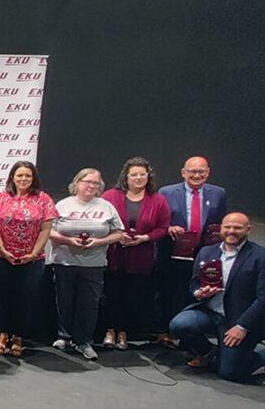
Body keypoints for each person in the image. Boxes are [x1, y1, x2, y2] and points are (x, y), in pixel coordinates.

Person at [169, 213, 265, 383]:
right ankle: (208, 351)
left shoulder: (260, 256)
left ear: (248, 229)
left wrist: (242, 327)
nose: (231, 231)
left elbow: (263, 298)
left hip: (238, 319)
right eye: (227, 227)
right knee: (179, 324)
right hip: (211, 312)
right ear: (221, 228)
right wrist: (199, 293)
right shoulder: (207, 252)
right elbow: (194, 284)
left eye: (237, 227)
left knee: (230, 373)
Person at [47, 168, 124, 360]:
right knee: (64, 301)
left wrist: (100, 242)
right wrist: (67, 240)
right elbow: (47, 231)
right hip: (64, 261)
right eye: (87, 181)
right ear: (78, 183)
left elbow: (118, 233)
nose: (91, 186)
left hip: (94, 264)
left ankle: (84, 342)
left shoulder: (106, 206)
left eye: (96, 183)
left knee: (89, 304)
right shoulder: (63, 205)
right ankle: (64, 336)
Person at [0, 160, 57, 358]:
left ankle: (18, 336)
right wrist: (2, 248)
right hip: (1, 257)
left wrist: (34, 253)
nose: (23, 179)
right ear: (12, 177)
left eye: (27, 175)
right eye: (19, 175)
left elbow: (46, 229)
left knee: (25, 299)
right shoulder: (1, 197)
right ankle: (3, 334)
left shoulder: (43, 199)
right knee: (3, 298)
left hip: (32, 259)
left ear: (33, 177)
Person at [155, 156, 227, 348]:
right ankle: (163, 332)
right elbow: (159, 220)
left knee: (194, 294)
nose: (197, 175)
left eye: (201, 171)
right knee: (166, 292)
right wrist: (169, 227)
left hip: (202, 254)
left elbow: (220, 223)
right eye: (192, 171)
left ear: (208, 172)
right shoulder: (167, 192)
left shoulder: (219, 193)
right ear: (183, 172)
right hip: (171, 252)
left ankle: (190, 337)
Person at [100, 157, 170, 350]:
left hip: (141, 256)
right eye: (134, 175)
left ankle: (123, 332)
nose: (138, 178)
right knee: (111, 294)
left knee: (132, 296)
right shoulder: (111, 196)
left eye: (142, 174)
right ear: (126, 177)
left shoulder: (158, 200)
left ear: (148, 176)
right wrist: (115, 235)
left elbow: (163, 228)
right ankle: (109, 330)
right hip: (114, 255)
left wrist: (144, 238)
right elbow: (100, 221)